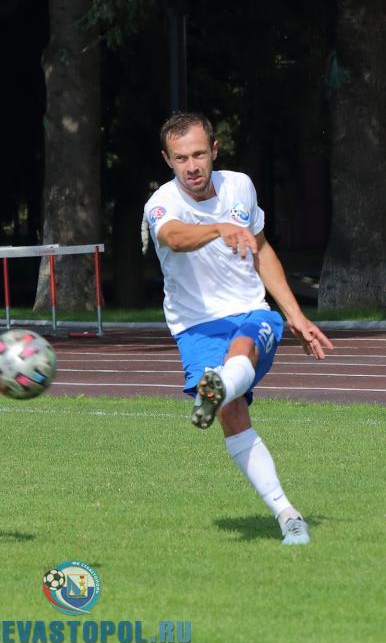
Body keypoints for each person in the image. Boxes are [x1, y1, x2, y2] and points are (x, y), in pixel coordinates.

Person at [143, 113, 334, 545]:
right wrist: (218, 228)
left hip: (250, 311)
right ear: (167, 160)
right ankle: (287, 515)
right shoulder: (161, 202)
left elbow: (261, 249)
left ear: (214, 150)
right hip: (195, 326)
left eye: (198, 155)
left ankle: (217, 389)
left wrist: (295, 314)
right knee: (233, 414)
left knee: (243, 347)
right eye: (180, 159)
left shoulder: (240, 186)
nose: (191, 167)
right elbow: (174, 238)